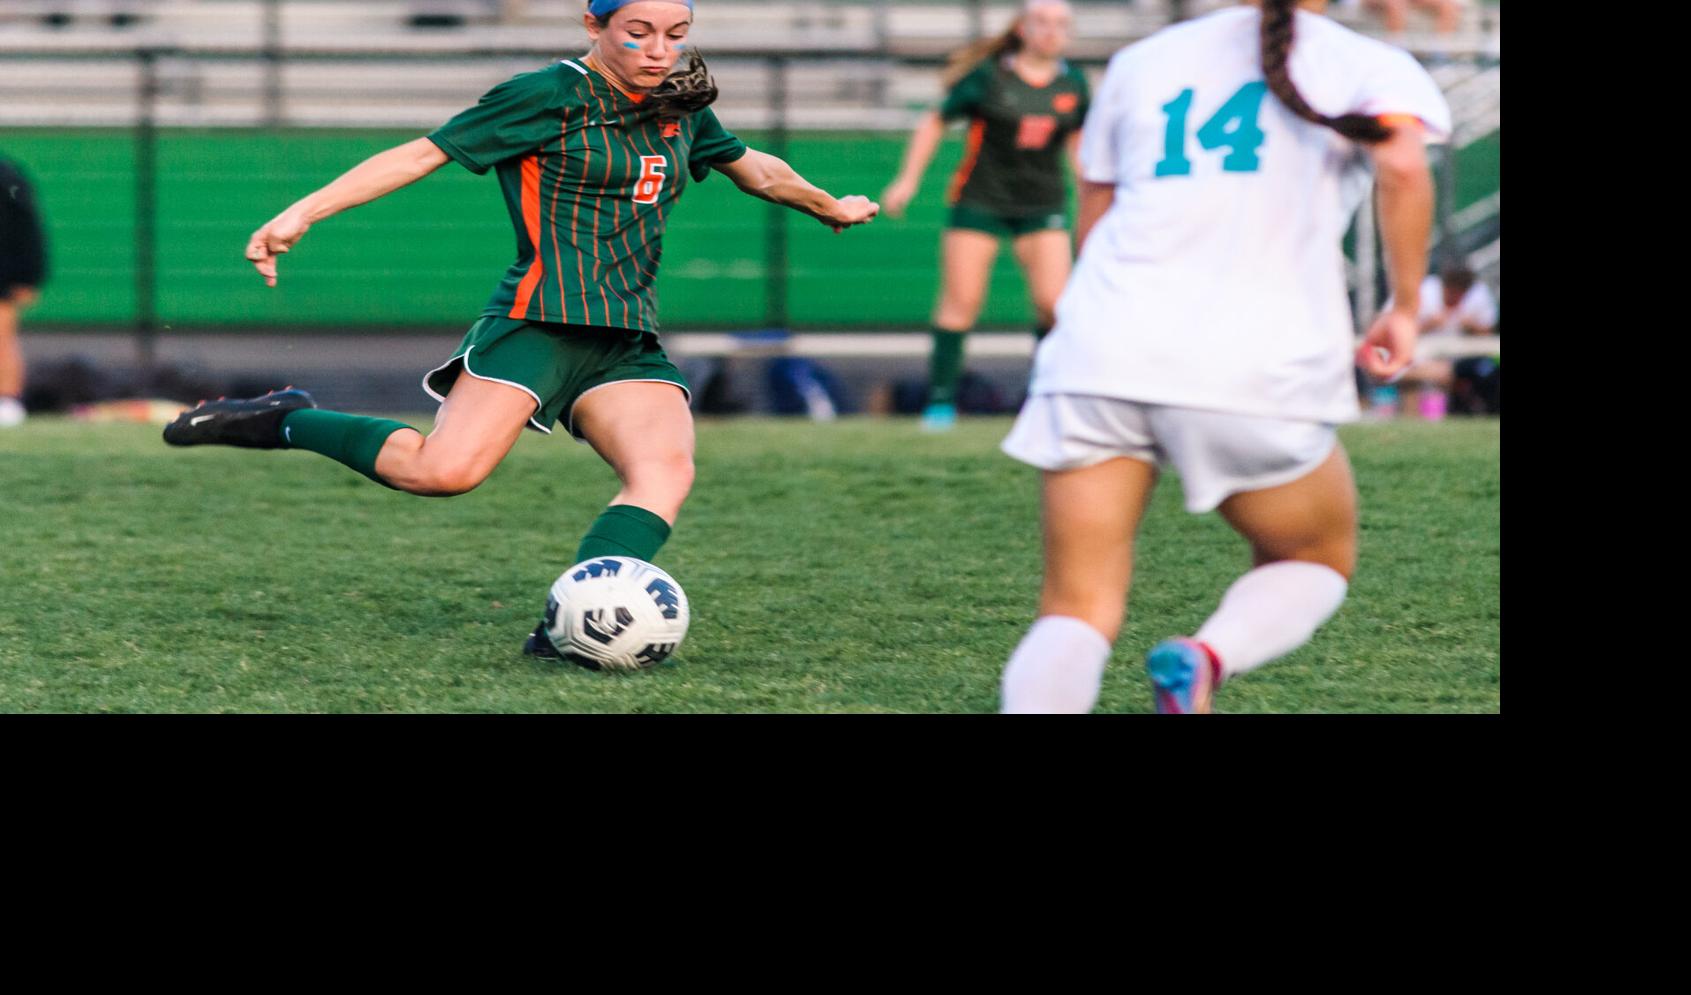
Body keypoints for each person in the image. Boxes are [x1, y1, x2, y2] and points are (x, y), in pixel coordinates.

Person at [162, 0, 879, 661]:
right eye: (638, 32)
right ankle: (287, 419)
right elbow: (421, 153)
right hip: (538, 321)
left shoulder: (678, 104)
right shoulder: (547, 94)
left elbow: (755, 170)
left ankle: (574, 623)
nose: (659, 50)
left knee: (664, 471)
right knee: (441, 473)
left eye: (675, 34)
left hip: (625, 336)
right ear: (594, 25)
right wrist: (302, 213)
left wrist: (829, 206)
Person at [997, 0, 1449, 713]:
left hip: (1101, 348)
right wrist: (1404, 304)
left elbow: (1096, 213)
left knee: (1074, 607)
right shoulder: (1365, 63)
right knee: (1314, 557)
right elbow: (1401, 164)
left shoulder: (1140, 61)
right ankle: (1204, 658)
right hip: (1252, 358)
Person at [880, 0, 1088, 432]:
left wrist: (1092, 196)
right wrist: (907, 180)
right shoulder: (990, 76)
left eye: (1061, 24)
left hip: (1043, 203)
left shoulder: (1074, 83)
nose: (1052, 31)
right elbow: (934, 121)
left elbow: (1079, 146)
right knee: (961, 304)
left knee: (1055, 305)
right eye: (1043, 22)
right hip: (981, 200)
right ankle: (940, 405)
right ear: (1023, 28)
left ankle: (1045, 397)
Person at [1392, 260, 1495, 419]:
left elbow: (1488, 334)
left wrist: (1471, 326)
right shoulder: (1423, 290)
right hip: (1416, 357)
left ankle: (1435, 417)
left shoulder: (1478, 294)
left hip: (1458, 361)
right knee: (1427, 375)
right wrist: (1428, 325)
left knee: (1446, 372)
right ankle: (1414, 418)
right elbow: (1395, 328)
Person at [0, 155, 48, 429]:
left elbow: (26, 225)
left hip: (2, 275)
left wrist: (28, 275)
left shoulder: (5, 175)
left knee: (2, 337)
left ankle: (7, 400)